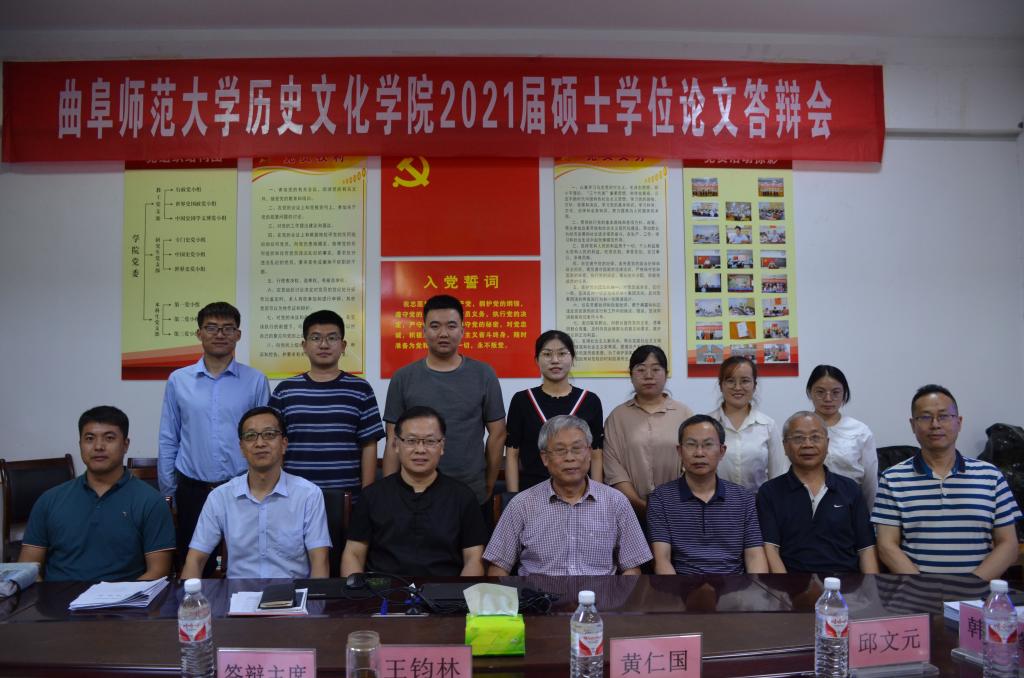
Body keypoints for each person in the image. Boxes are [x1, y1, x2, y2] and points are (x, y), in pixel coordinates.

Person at [158, 301, 270, 573]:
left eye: (227, 328)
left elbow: (266, 440)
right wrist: (169, 492)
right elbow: (169, 437)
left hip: (242, 488)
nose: (220, 334)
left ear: (238, 335)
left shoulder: (255, 380)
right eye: (211, 328)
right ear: (199, 333)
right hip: (192, 489)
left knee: (245, 566)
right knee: (196, 568)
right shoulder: (179, 380)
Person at [872, 384, 1021, 579]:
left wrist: (972, 584)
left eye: (944, 416)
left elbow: (1008, 544)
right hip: (917, 590)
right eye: (925, 417)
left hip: (978, 591)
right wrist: (923, 587)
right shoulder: (892, 479)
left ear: (959, 422)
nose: (935, 424)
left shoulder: (991, 476)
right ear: (913, 425)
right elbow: (886, 546)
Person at [19, 406, 175, 581]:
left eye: (109, 438)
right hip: (56, 597)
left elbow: (158, 571)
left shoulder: (151, 501)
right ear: (80, 444)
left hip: (124, 597)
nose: (99, 446)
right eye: (89, 438)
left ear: (125, 445)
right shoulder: (49, 500)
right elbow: (27, 568)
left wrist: (126, 597)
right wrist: (43, 596)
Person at [383, 294, 506, 514]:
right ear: (423, 331)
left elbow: (497, 434)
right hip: (413, 493)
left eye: (451, 326)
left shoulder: (484, 374)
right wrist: (390, 491)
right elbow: (393, 440)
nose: (443, 333)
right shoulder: (403, 377)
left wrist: (488, 483)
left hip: (471, 491)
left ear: (462, 330)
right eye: (435, 326)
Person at [484, 415, 651, 575]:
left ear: (589, 452)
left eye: (577, 449)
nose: (570, 458)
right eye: (560, 450)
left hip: (599, 594)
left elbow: (632, 568)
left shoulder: (616, 502)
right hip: (538, 594)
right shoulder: (522, 504)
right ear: (545, 458)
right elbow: (498, 566)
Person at [180, 407, 331, 579]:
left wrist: (315, 597)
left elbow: (320, 562)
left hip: (292, 592)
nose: (260, 443)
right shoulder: (220, 497)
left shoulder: (308, 494)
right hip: (237, 592)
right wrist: (189, 595)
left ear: (284, 444)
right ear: (242, 448)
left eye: (269, 434)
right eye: (251, 436)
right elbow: (195, 560)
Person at [342, 406, 487, 576]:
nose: (420, 449)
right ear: (396, 444)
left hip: (444, 590)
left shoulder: (463, 497)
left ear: (442, 446)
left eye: (430, 441)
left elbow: (474, 558)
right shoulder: (372, 496)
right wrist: (358, 591)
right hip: (384, 590)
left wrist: (459, 592)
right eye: (411, 441)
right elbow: (353, 554)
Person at [269, 309, 385, 495]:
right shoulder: (285, 391)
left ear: (343, 345)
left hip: (347, 497)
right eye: (316, 338)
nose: (324, 345)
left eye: (332, 338)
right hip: (295, 497)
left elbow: (369, 445)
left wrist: (367, 496)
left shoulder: (361, 389)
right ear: (304, 345)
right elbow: (274, 444)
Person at [756, 411, 879, 574]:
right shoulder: (770, 491)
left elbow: (866, 549)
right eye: (798, 438)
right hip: (792, 582)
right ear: (785, 446)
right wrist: (785, 587)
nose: (807, 444)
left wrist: (870, 588)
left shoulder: (850, 489)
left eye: (815, 437)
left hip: (846, 583)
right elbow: (771, 549)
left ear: (827, 444)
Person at [647, 414, 768, 575]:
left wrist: (755, 589)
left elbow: (755, 556)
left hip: (734, 586)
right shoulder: (661, 498)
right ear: (680, 451)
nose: (699, 453)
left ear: (722, 451)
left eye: (708, 445)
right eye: (691, 445)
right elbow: (662, 560)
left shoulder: (743, 498)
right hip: (682, 586)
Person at [505, 330, 605, 492]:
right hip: (532, 489)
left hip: (578, 490)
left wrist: (598, 495)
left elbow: (596, 454)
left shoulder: (590, 400)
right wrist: (512, 497)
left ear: (572, 359)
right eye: (547, 354)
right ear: (536, 360)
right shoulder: (522, 400)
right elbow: (512, 453)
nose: (555, 360)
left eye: (562, 354)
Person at [603, 345, 694, 517]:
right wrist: (640, 505)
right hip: (629, 511)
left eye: (656, 369)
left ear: (666, 374)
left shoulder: (684, 414)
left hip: (678, 510)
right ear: (631, 375)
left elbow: (692, 462)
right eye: (641, 369)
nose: (648, 375)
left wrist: (672, 505)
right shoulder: (617, 416)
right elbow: (613, 468)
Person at [805, 364, 879, 507]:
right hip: (805, 504)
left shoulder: (860, 431)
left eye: (835, 392)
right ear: (810, 392)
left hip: (849, 505)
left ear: (844, 394)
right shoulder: (799, 427)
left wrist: (868, 515)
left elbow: (870, 481)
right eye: (820, 392)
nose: (828, 398)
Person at [707, 356, 785, 491]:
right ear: (720, 385)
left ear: (754, 386)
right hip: (715, 502)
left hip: (758, 502)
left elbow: (777, 477)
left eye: (745, 381)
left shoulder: (768, 426)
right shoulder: (707, 424)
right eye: (730, 381)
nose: (737, 387)